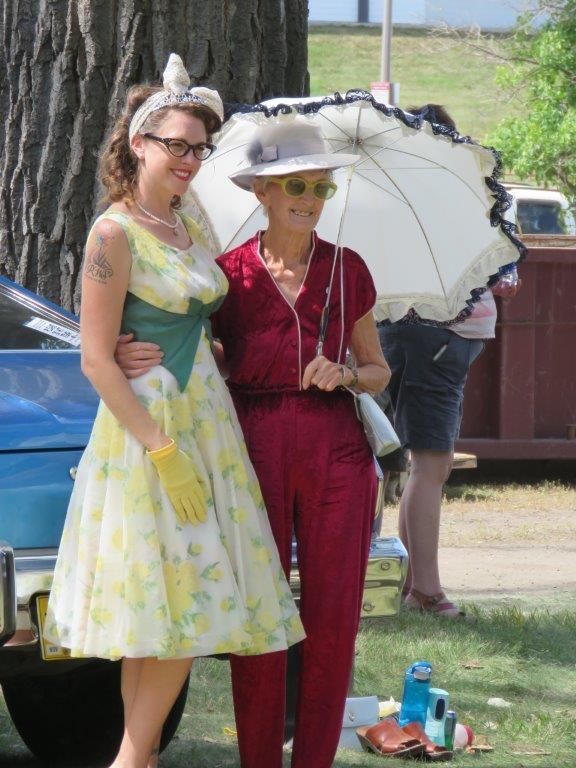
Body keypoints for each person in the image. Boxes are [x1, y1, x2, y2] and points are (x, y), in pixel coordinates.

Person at [43, 54, 304, 768]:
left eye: (199, 147)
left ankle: (139, 756)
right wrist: (161, 448)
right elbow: (97, 357)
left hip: (206, 418)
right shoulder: (114, 233)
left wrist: (210, 348)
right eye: (177, 144)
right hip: (149, 434)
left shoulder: (193, 227)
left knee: (166, 609)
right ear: (139, 144)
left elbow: (200, 316)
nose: (190, 159)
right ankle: (131, 760)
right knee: (181, 604)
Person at [116, 119, 391, 768]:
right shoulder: (228, 276)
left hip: (338, 454)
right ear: (262, 192)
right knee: (258, 620)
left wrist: (347, 373)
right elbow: (190, 351)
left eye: (321, 187)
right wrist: (133, 350)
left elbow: (378, 368)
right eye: (295, 184)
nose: (309, 198)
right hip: (251, 449)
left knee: (332, 624)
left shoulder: (347, 269)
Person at [376, 103, 520, 618]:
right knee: (430, 465)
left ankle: (409, 581)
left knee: (416, 466)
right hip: (433, 336)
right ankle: (426, 591)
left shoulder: (406, 197)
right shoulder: (436, 200)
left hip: (428, 338)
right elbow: (505, 273)